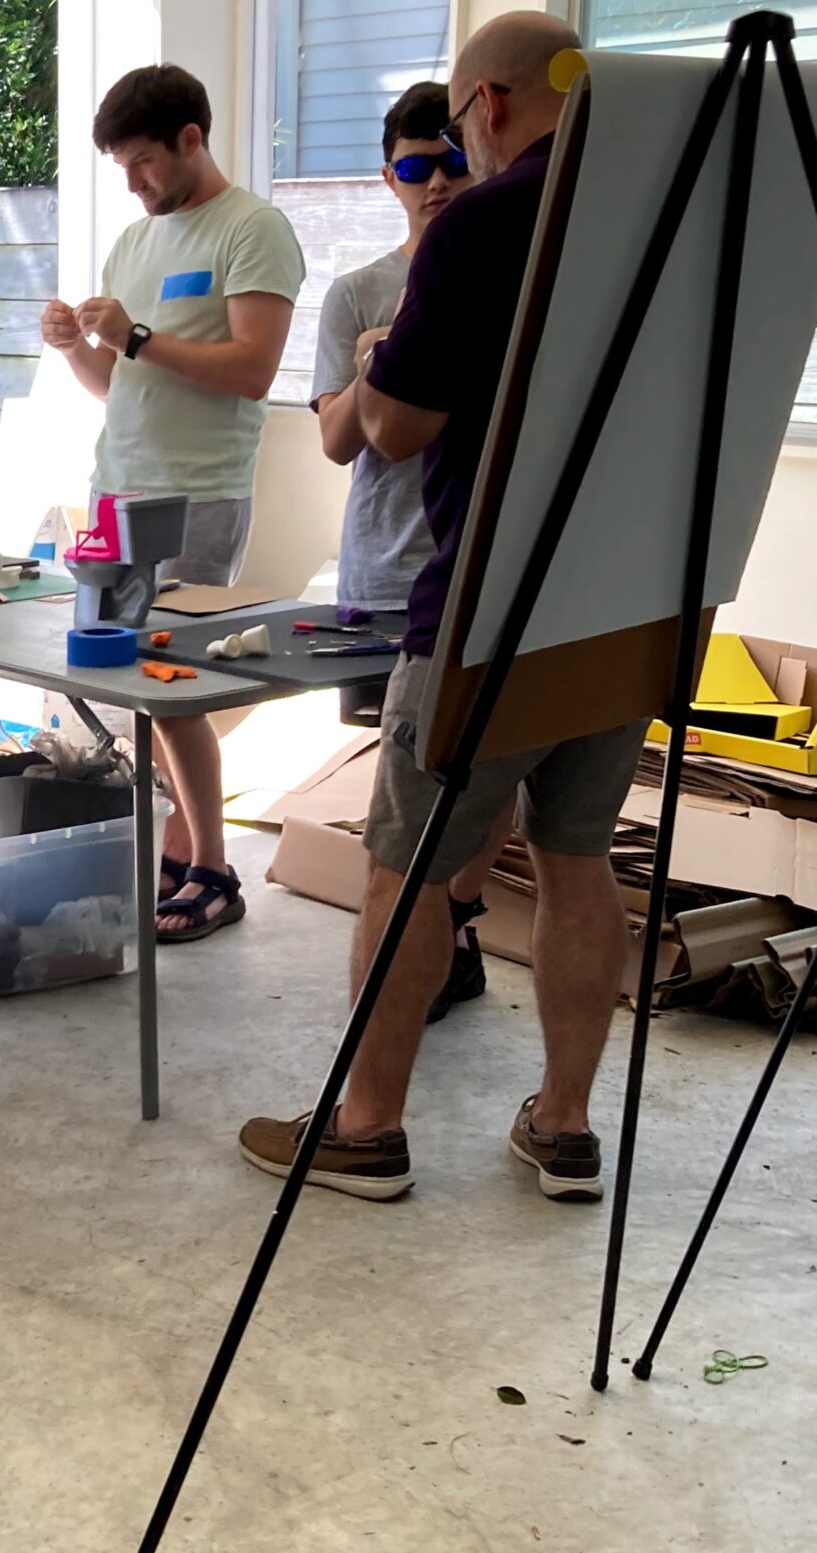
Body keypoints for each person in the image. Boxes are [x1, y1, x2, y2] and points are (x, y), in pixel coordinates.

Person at [239, 12, 627, 1205]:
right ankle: (562, 1125)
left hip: (486, 612)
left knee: (400, 871)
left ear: (491, 106)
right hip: (629, 604)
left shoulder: (484, 225)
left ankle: (366, 1125)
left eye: (456, 127)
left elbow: (394, 430)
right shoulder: (658, 211)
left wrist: (385, 354)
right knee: (575, 858)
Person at [41, 65, 305, 941]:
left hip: (196, 493)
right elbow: (114, 383)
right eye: (122, 166)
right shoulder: (134, 240)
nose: (134, 182)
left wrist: (140, 337)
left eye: (145, 161)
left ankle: (215, 869)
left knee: (175, 683)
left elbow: (254, 370)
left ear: (194, 138)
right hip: (116, 484)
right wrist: (77, 345)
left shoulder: (252, 229)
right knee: (129, 684)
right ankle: (179, 851)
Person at [312, 80, 502, 1024]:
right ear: (389, 176)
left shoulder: (511, 270)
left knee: (486, 767)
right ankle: (426, 944)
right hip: (391, 570)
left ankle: (454, 925)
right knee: (401, 790)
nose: (436, 182)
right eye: (415, 166)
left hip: (486, 570)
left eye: (452, 159)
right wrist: (371, 368)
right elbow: (343, 441)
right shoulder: (357, 292)